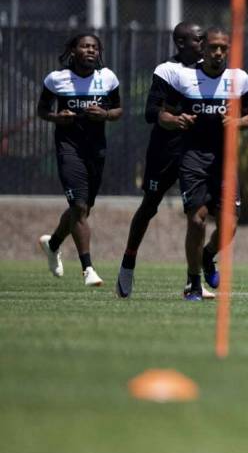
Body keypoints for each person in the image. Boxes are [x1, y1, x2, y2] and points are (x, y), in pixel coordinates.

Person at [157, 27, 248, 301]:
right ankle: (193, 283)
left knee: (229, 226)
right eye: (213, 47)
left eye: (224, 47)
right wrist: (177, 121)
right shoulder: (185, 78)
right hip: (193, 159)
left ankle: (208, 256)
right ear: (204, 48)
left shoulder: (240, 80)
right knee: (197, 220)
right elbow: (163, 114)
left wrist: (237, 122)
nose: (218, 52)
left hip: (225, 162)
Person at [115, 22, 209, 298]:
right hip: (165, 149)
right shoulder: (167, 71)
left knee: (197, 216)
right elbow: (151, 112)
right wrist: (174, 119)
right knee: (149, 206)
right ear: (181, 43)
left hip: (197, 151)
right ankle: (128, 262)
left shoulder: (213, 71)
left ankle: (194, 281)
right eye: (198, 39)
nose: (204, 43)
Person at [36, 33, 122, 287]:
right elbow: (42, 111)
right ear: (74, 50)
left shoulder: (107, 78)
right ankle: (88, 269)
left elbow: (118, 111)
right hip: (68, 149)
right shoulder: (57, 79)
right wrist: (56, 117)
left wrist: (104, 114)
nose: (90, 50)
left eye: (94, 47)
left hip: (96, 151)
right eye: (85, 46)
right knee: (79, 208)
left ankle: (52, 245)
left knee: (82, 208)